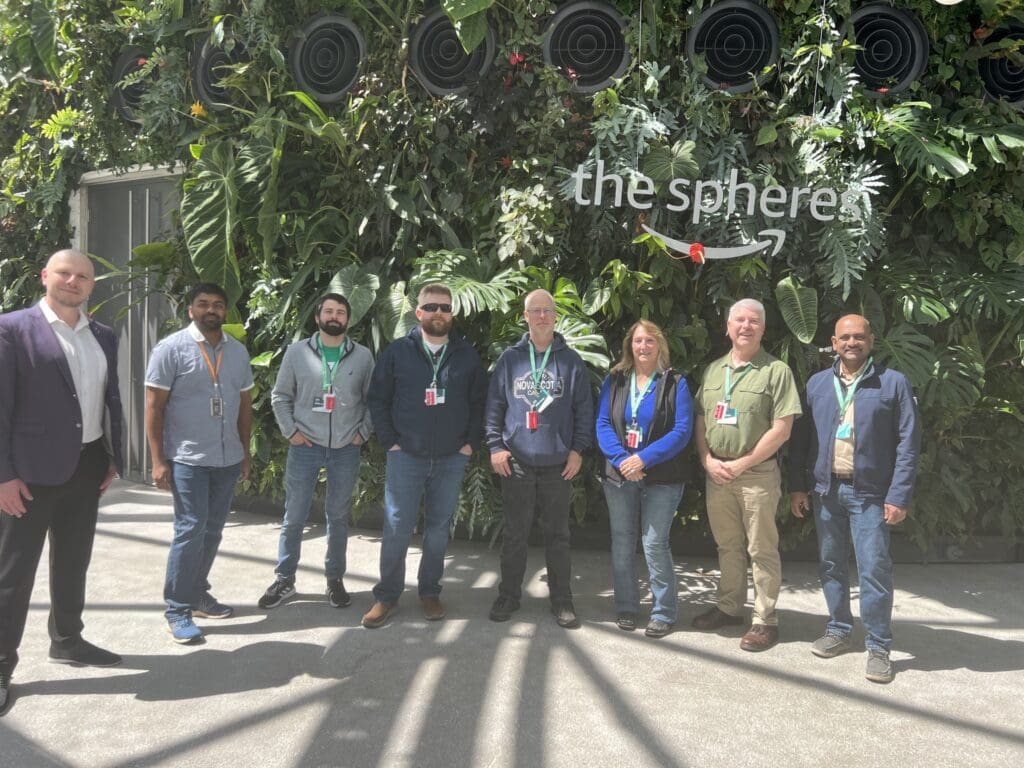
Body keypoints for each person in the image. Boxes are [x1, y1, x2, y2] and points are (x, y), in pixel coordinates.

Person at [0, 249, 124, 716]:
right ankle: (1, 665)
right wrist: (3, 476)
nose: (74, 281)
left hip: (87, 466)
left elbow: (106, 399)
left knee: (73, 563)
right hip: (28, 476)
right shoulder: (12, 329)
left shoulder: (103, 335)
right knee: (13, 575)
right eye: (65, 273)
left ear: (93, 286)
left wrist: (109, 455)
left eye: (84, 276)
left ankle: (67, 640)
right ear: (45, 277)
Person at [789, 314, 920, 684]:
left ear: (871, 340)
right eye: (845, 337)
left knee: (874, 571)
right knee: (831, 564)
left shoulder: (892, 383)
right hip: (826, 490)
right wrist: (798, 486)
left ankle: (878, 646)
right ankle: (839, 629)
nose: (852, 343)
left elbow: (908, 444)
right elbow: (800, 442)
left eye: (859, 337)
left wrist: (898, 495)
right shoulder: (817, 384)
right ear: (833, 342)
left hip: (871, 495)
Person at [363, 284, 487, 628]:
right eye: (431, 307)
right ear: (418, 313)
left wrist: (469, 444)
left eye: (445, 308)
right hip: (406, 457)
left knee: (438, 530)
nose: (438, 313)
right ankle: (386, 596)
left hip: (451, 458)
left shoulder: (466, 355)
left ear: (451, 314)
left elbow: (480, 402)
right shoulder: (397, 353)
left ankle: (429, 592)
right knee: (397, 527)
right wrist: (390, 441)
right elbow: (378, 399)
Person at [145, 283, 253, 644]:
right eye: (203, 304)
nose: (211, 310)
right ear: (190, 309)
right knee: (190, 528)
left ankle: (196, 593)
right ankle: (177, 607)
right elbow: (154, 407)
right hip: (188, 458)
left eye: (218, 305)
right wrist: (158, 460)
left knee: (214, 529)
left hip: (226, 457)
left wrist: (245, 453)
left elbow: (244, 408)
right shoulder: (170, 349)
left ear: (226, 312)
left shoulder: (237, 352)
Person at [692, 298, 801, 651]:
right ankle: (729, 607)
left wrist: (742, 464)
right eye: (739, 320)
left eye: (754, 321)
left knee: (761, 549)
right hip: (717, 473)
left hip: (756, 475)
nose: (746, 326)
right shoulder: (712, 371)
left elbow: (782, 428)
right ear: (727, 327)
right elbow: (700, 419)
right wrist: (707, 459)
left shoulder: (776, 371)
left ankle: (765, 620)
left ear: (763, 329)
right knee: (728, 546)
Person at [486, 289, 594, 629]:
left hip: (558, 463)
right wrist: (495, 446)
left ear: (556, 316)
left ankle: (562, 599)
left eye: (548, 310)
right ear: (525, 316)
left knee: (558, 535)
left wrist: (577, 450)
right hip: (516, 460)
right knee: (515, 534)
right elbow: (494, 407)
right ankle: (509, 595)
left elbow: (583, 410)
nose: (543, 316)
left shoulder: (571, 361)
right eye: (536, 310)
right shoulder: (509, 359)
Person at [259, 293, 374, 610]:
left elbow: (373, 400)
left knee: (337, 516)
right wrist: (291, 432)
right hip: (305, 446)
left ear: (348, 320)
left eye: (341, 312)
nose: (334, 316)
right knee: (293, 516)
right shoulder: (297, 353)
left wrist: (362, 433)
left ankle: (334, 580)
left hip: (345, 449)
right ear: (317, 317)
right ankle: (285, 579)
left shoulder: (362, 356)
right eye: (328, 311)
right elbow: (280, 396)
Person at [596, 320, 693, 638]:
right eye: (638, 341)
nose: (643, 346)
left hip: (662, 476)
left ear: (660, 345)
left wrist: (643, 458)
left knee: (654, 544)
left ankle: (664, 612)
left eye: (650, 340)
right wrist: (624, 460)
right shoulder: (615, 379)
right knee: (622, 542)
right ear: (630, 345)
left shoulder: (675, 382)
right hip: (620, 475)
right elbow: (602, 424)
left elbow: (682, 431)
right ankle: (626, 607)